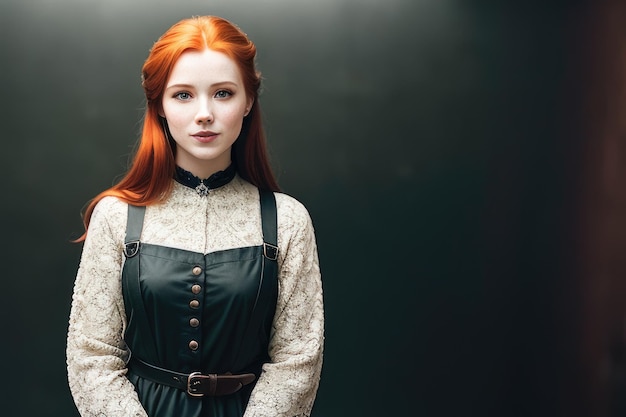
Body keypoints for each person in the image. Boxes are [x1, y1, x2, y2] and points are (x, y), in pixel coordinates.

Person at [66, 15, 324, 417]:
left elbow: (297, 361)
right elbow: (92, 357)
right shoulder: (116, 217)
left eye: (223, 93)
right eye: (183, 95)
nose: (204, 113)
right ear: (161, 106)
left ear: (249, 101)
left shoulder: (288, 221)